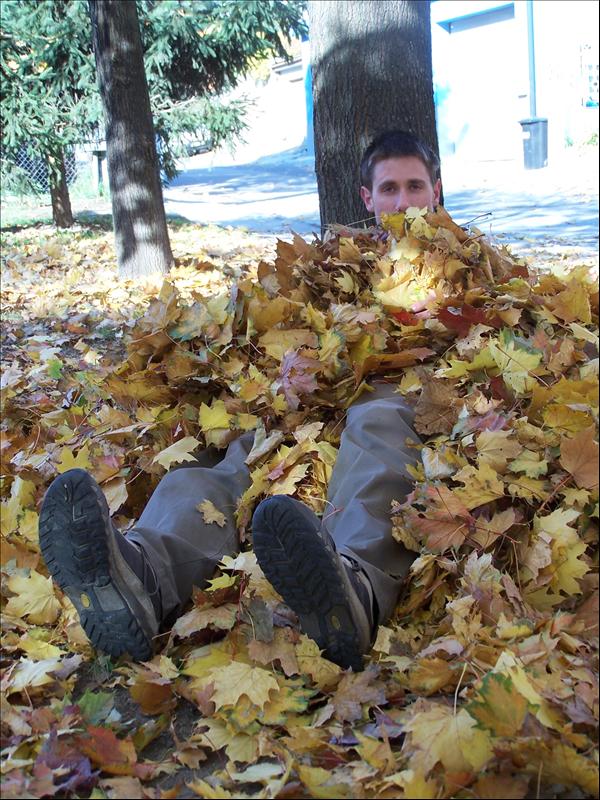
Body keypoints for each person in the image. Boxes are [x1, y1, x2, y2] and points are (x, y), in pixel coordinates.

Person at [39, 130, 441, 672]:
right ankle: (146, 577)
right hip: (308, 392)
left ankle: (356, 590)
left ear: (436, 190)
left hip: (397, 387)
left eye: (415, 186)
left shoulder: (469, 265)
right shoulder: (326, 263)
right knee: (233, 455)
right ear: (367, 197)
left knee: (380, 427)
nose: (403, 201)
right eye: (389, 188)